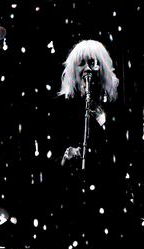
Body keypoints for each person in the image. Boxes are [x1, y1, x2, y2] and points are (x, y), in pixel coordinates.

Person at [58, 39, 119, 167]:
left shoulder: (114, 103)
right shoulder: (62, 106)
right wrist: (66, 158)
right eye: (81, 63)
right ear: (73, 69)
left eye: (92, 62)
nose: (87, 68)